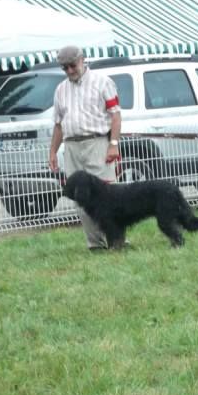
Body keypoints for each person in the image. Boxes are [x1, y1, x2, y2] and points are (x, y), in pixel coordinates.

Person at [48, 45, 122, 251]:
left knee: (107, 195)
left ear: (82, 60)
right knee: (80, 199)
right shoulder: (60, 89)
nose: (70, 71)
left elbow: (115, 114)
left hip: (97, 142)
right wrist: (53, 151)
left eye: (72, 65)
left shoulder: (103, 82)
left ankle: (116, 240)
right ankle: (95, 244)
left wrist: (113, 144)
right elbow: (58, 124)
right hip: (71, 146)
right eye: (65, 68)